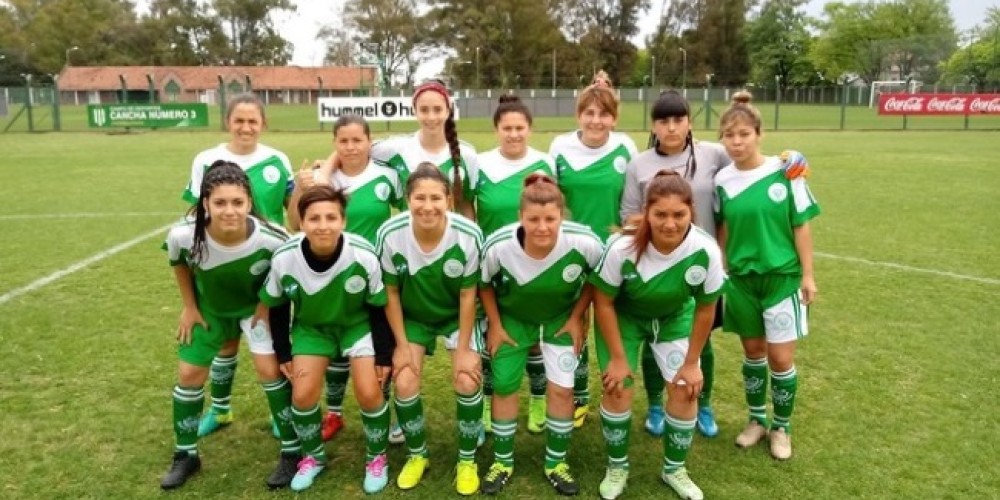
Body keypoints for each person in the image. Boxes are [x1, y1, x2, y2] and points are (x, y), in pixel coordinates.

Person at [619, 90, 811, 439]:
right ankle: (656, 407)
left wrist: (792, 158)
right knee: (654, 338)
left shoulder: (713, 154)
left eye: (679, 119)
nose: (672, 127)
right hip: (656, 266)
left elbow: (751, 162)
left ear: (689, 122)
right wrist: (663, 227)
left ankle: (703, 404)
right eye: (664, 120)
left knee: (699, 339)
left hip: (702, 269)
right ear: (654, 126)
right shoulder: (639, 163)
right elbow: (628, 213)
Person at [259, 185, 409, 493]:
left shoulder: (363, 255)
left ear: (343, 221)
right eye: (314, 218)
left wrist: (383, 356)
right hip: (311, 330)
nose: (323, 225)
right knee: (302, 395)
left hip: (357, 327)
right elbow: (276, 307)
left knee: (369, 392)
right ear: (301, 222)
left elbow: (378, 308)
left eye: (331, 217)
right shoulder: (285, 257)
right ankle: (313, 457)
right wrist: (284, 353)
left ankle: (375, 458)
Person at [160, 161, 299, 490]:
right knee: (189, 375)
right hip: (210, 311)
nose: (229, 210)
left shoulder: (273, 239)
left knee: (269, 371)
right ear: (205, 203)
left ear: (249, 202)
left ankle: (292, 451)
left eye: (237, 202)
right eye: (220, 203)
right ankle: (186, 454)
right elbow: (178, 264)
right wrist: (190, 307)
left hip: (255, 311)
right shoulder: (183, 235)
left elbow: (284, 276)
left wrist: (265, 308)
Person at [591, 170, 726, 500]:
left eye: (679, 214)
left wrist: (693, 362)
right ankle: (617, 466)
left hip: (674, 317)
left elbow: (707, 308)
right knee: (617, 386)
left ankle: (674, 469)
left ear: (691, 211)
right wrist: (619, 360)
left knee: (685, 389)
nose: (669, 224)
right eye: (660, 214)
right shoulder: (622, 247)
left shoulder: (705, 250)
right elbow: (603, 301)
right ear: (647, 213)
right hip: (625, 317)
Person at [478, 174, 603, 496]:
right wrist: (496, 324)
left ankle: (556, 462)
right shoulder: (499, 246)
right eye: (534, 219)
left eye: (551, 219)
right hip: (513, 322)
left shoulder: (585, 242)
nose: (542, 227)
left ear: (562, 215)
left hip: (559, 322)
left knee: (562, 391)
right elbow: (484, 284)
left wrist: (577, 317)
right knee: (504, 387)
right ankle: (502, 462)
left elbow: (597, 279)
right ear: (520, 217)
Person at [713, 91, 820, 461]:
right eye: (730, 135)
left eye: (744, 133)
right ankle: (757, 420)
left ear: (759, 133)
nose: (737, 141)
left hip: (781, 278)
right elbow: (723, 226)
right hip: (741, 281)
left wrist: (808, 275)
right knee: (753, 352)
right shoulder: (722, 179)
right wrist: (723, 266)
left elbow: (801, 226)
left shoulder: (786, 171)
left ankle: (782, 428)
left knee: (779, 358)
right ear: (722, 138)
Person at [182, 93, 295, 439]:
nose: (246, 127)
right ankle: (220, 409)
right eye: (239, 120)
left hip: (266, 267)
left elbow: (292, 213)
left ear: (263, 123)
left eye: (253, 120)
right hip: (217, 268)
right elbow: (193, 215)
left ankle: (281, 415)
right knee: (225, 343)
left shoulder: (277, 160)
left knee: (272, 350)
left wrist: (303, 189)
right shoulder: (206, 159)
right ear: (228, 122)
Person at [288, 114, 404, 444]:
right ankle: (334, 413)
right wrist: (302, 187)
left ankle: (389, 412)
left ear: (370, 142)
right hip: (328, 275)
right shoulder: (322, 180)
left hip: (373, 274)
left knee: (380, 346)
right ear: (334, 144)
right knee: (335, 349)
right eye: (344, 141)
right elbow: (294, 225)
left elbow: (405, 213)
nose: (351, 147)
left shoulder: (387, 177)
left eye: (357, 140)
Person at [375, 163, 484, 495]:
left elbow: (468, 295)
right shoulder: (390, 234)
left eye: (435, 197)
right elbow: (390, 292)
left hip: (456, 316)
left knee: (467, 378)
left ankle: (467, 460)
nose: (427, 205)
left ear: (449, 200)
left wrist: (464, 348)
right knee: (405, 378)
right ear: (407, 200)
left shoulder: (468, 234)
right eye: (419, 197)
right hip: (413, 318)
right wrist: (401, 343)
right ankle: (417, 454)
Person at [549, 77, 638, 428]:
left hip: (613, 254)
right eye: (589, 113)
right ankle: (580, 395)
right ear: (578, 115)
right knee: (575, 324)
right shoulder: (559, 147)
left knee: (609, 324)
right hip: (570, 252)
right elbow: (552, 200)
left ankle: (614, 390)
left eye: (604, 114)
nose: (596, 120)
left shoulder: (625, 147)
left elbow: (632, 199)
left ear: (614, 118)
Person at [475, 94, 557, 435]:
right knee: (490, 335)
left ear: (530, 129)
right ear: (496, 130)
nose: (513, 134)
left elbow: (550, 212)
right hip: (491, 262)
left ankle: (538, 400)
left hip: (534, 262)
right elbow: (468, 208)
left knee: (535, 336)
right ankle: (487, 403)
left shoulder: (544, 164)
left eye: (519, 128)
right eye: (506, 128)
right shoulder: (478, 163)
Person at [330, 80, 479, 220]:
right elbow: (357, 149)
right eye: (424, 110)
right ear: (414, 111)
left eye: (437, 109)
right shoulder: (396, 149)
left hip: (452, 243)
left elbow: (466, 205)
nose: (431, 117)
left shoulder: (466, 155)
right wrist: (326, 169)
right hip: (409, 243)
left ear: (448, 111)